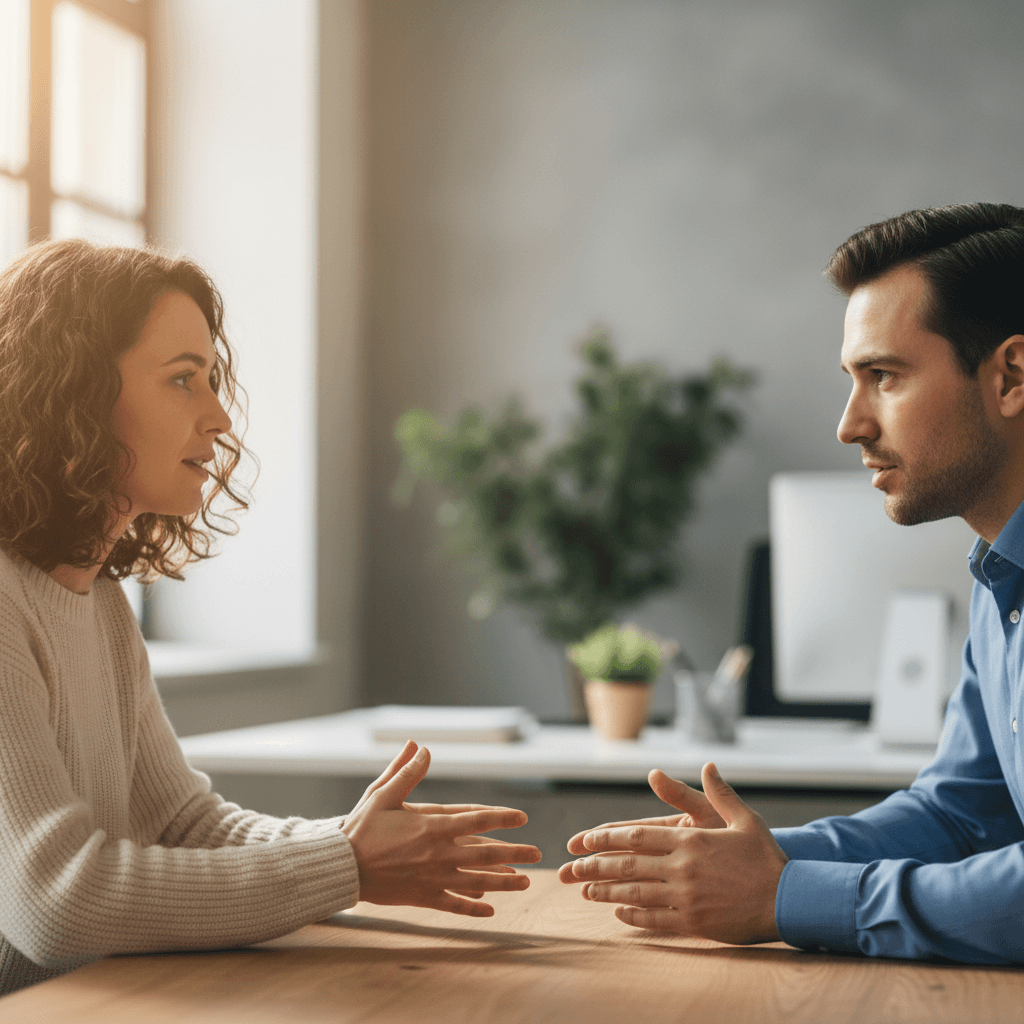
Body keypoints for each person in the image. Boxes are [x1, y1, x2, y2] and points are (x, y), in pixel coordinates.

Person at [0, 238, 541, 995]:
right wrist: (347, 864)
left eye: (212, 380)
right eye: (184, 381)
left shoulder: (99, 604)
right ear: (76, 395)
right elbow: (55, 903)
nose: (220, 416)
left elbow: (183, 825)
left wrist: (355, 846)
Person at [558, 201, 1024, 964]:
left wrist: (785, 897)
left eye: (884, 377)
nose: (850, 424)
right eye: (853, 379)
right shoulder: (1001, 578)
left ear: (1010, 375)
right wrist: (748, 858)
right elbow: (962, 815)